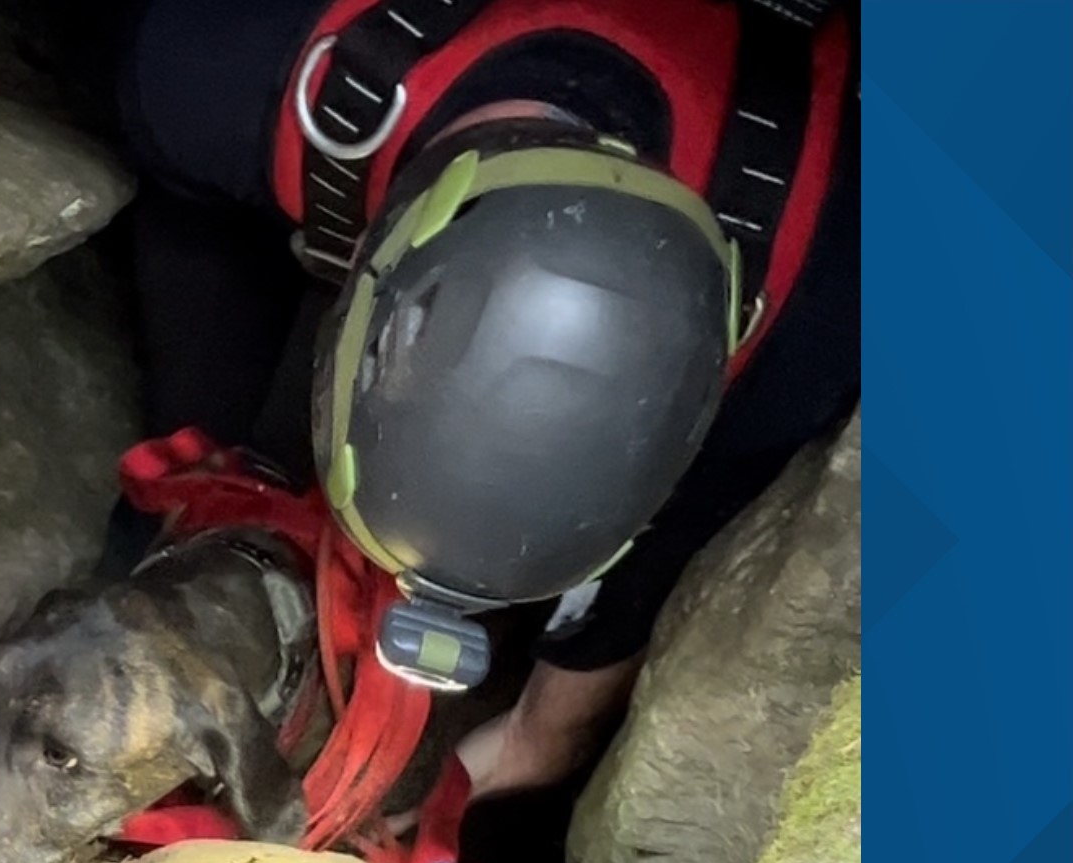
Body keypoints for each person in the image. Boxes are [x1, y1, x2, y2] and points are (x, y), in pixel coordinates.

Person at [89, 0, 861, 806]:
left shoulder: (814, 319)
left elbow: (673, 541)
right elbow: (187, 216)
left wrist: (525, 744)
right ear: (360, 267)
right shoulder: (212, 66)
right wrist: (212, 462)